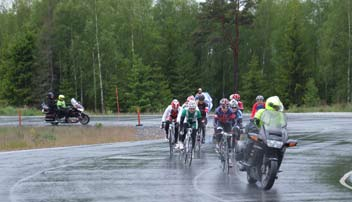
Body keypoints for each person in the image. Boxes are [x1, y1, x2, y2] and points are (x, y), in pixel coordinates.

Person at [241, 96, 284, 167]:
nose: (277, 109)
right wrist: (255, 126)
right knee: (251, 142)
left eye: (278, 107)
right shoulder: (261, 111)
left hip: (271, 134)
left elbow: (282, 125)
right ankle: (245, 161)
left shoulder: (279, 115)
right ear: (271, 106)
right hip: (259, 131)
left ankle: (277, 165)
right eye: (276, 107)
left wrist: (283, 132)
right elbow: (255, 120)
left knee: (281, 148)